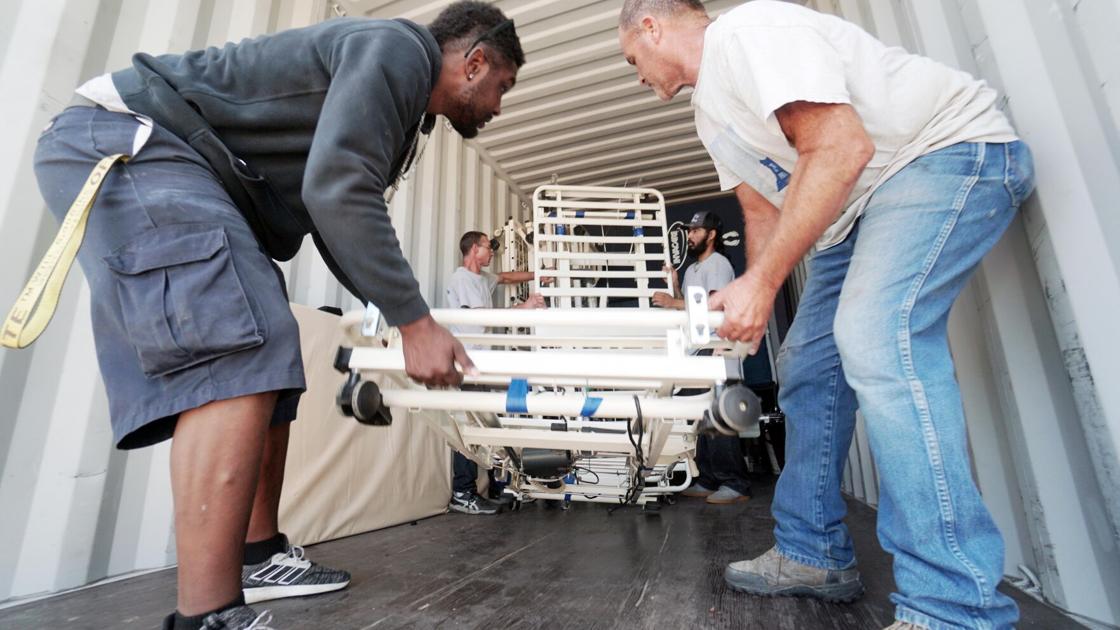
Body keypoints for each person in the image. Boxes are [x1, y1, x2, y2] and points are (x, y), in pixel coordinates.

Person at [31, 2, 524, 628]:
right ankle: (207, 615)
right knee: (241, 341)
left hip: (186, 165)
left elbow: (331, 211)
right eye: (503, 88)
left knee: (271, 339)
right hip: (135, 141)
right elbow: (338, 188)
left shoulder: (401, 103)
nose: (500, 106)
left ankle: (259, 556)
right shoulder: (399, 50)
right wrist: (414, 322)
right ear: (474, 61)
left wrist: (402, 317)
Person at [618, 1, 1035, 629]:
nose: (636, 75)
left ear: (651, 26)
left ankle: (954, 605)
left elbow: (841, 145)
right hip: (859, 209)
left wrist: (762, 281)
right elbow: (760, 214)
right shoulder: (710, 113)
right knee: (807, 367)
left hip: (940, 155)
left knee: (874, 337)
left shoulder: (746, 34)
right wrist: (758, 292)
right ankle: (812, 551)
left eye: (631, 60)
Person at [653, 211, 751, 505]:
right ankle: (708, 479)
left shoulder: (718, 264)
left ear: (712, 235)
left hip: (719, 347)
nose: (691, 235)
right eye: (690, 230)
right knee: (702, 417)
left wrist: (672, 300)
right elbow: (686, 309)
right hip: (698, 349)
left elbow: (713, 305)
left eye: (697, 230)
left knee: (721, 417)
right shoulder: (695, 269)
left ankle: (737, 484)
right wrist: (674, 284)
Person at [445, 230, 544, 515]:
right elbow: (478, 323)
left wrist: (540, 274)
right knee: (471, 428)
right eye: (489, 247)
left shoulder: (481, 278)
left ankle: (499, 486)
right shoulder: (461, 280)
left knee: (490, 424)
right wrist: (522, 308)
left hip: (484, 365)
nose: (492, 252)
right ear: (474, 249)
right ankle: (462, 493)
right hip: (469, 364)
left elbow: (506, 277)